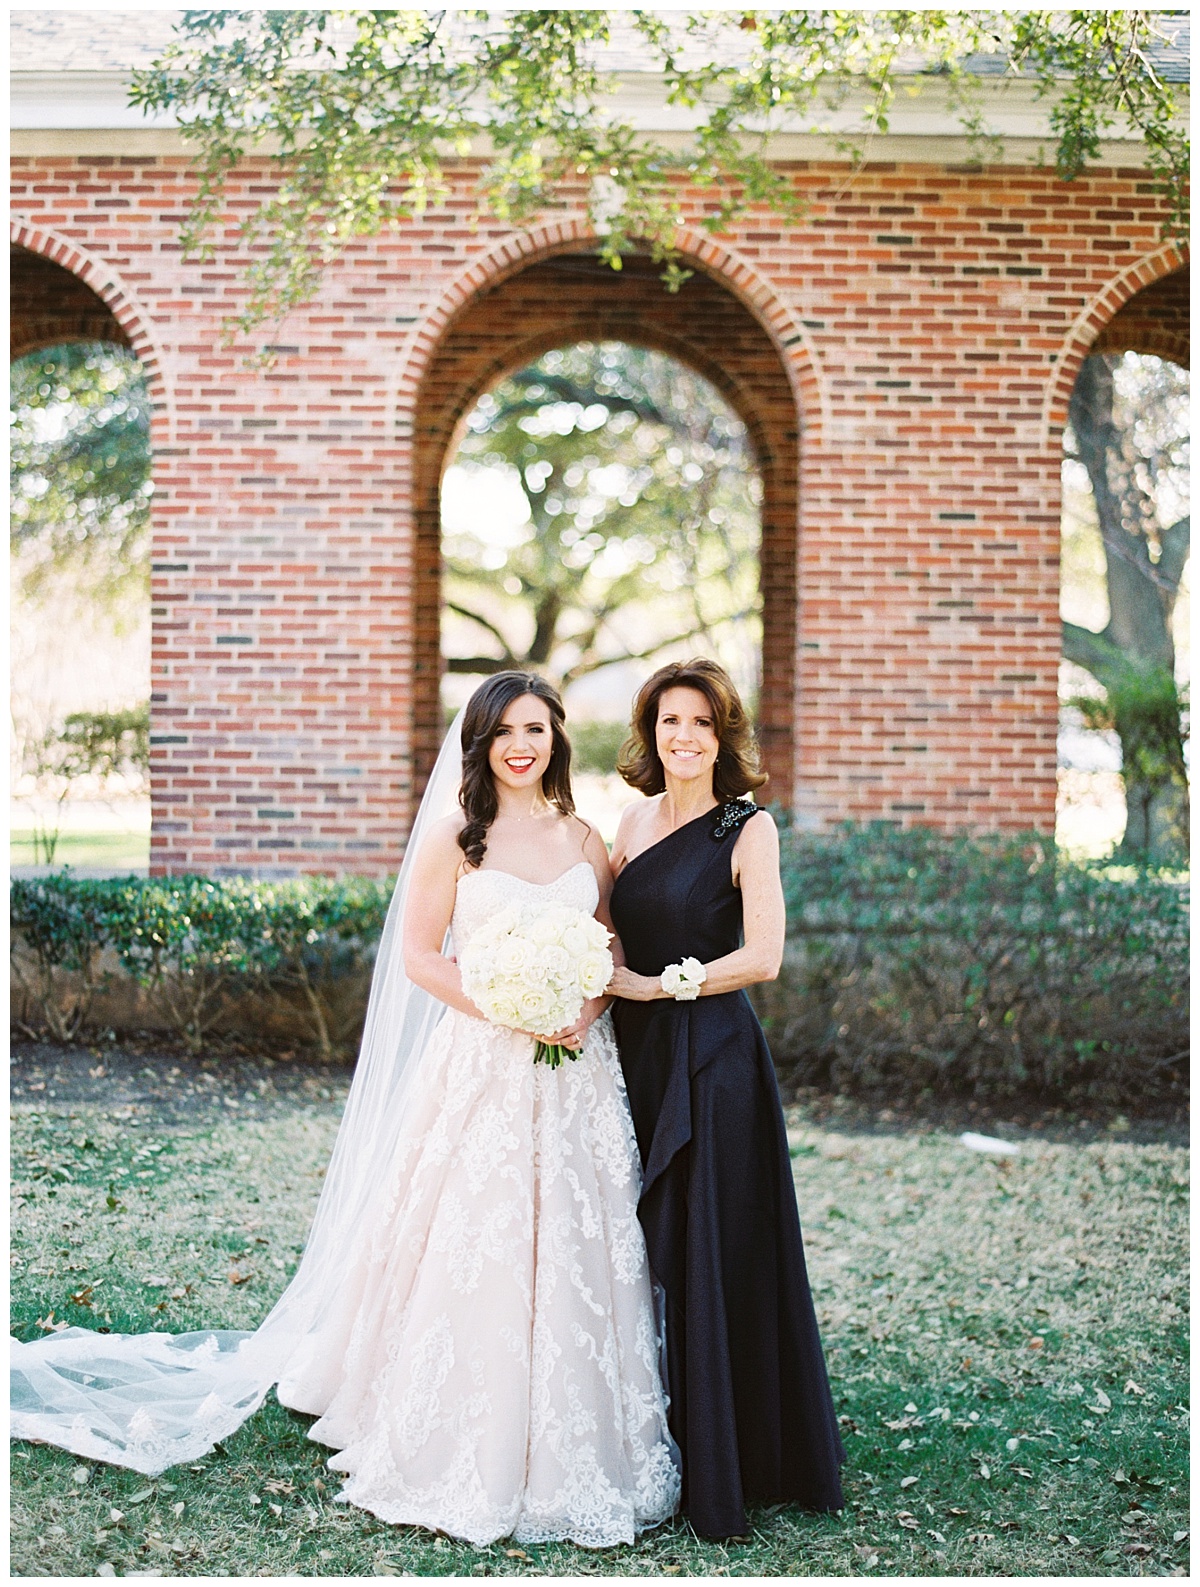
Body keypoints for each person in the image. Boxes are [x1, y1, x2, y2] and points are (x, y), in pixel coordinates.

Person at [12, 672, 680, 1549]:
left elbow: (609, 950)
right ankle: (449, 1415)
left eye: (537, 729)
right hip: (483, 1061)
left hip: (575, 1076)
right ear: (479, 744)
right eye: (505, 731)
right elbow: (419, 958)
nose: (523, 745)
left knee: (579, 1236)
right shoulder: (457, 838)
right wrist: (510, 1005)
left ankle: (579, 1423)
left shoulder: (586, 838)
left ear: (557, 737)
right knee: (476, 1233)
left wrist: (580, 1007)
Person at [606, 658, 844, 1540]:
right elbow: (600, 930)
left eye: (702, 723)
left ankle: (730, 1459)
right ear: (650, 732)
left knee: (712, 1249)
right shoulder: (628, 820)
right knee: (644, 1245)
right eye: (671, 721)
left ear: (724, 734)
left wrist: (664, 985)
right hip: (634, 1055)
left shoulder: (750, 829)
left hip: (713, 1057)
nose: (685, 738)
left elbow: (765, 957)